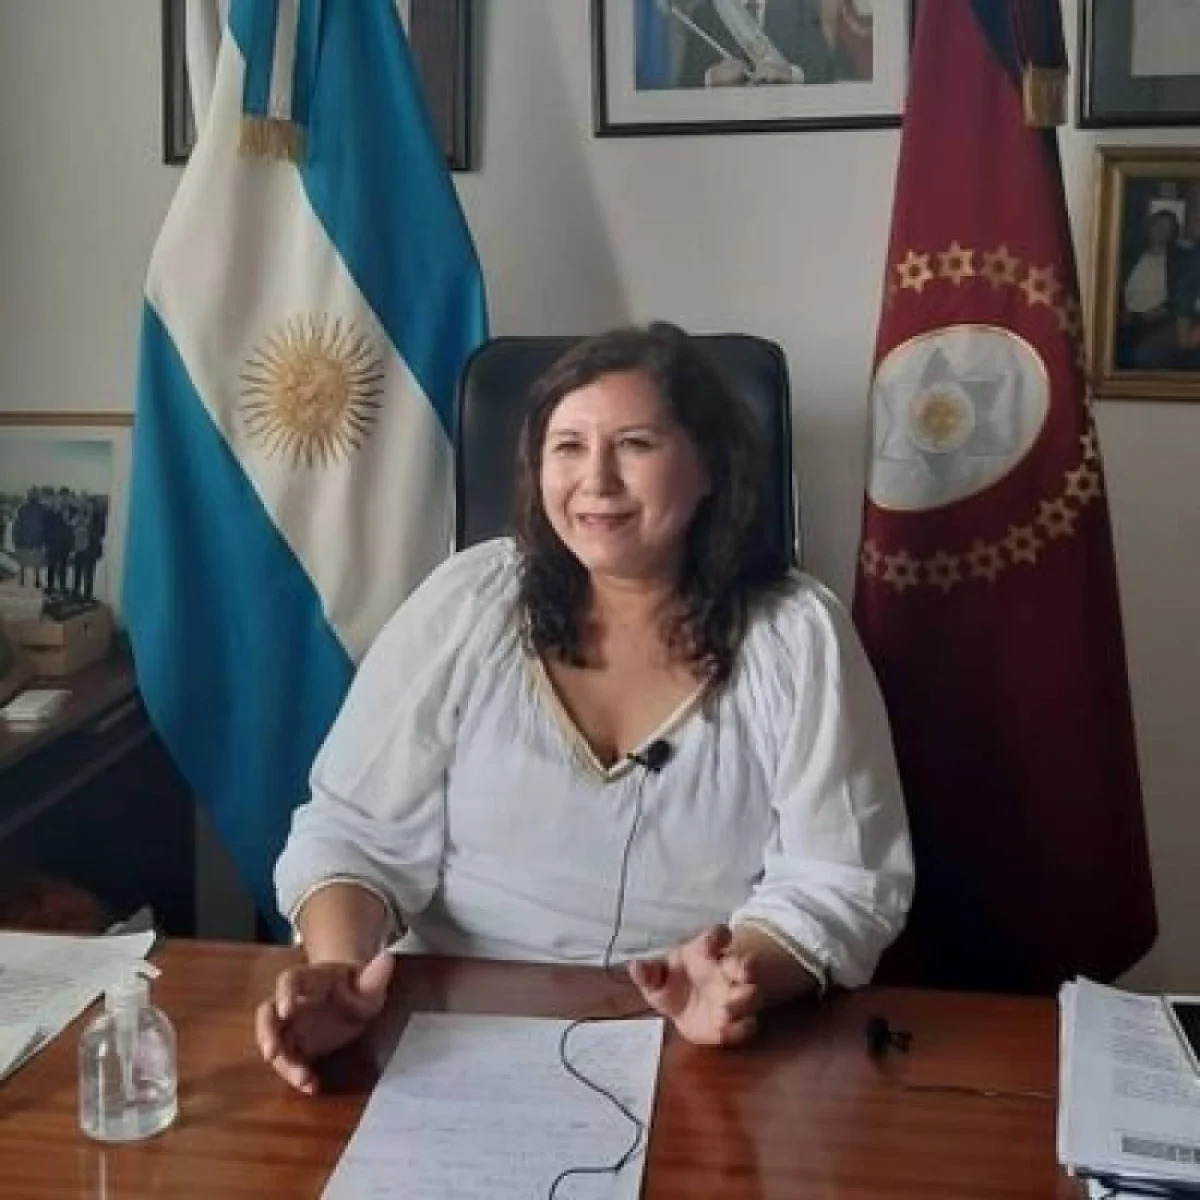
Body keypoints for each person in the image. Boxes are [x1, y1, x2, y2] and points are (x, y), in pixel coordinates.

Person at [257, 322, 913, 1094]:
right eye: (568, 446)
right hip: (446, 1028)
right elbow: (354, 832)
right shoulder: (466, 603)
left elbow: (841, 879)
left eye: (635, 444)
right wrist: (339, 970)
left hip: (696, 1047)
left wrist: (739, 978)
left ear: (709, 466)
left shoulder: (798, 636)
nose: (596, 480)